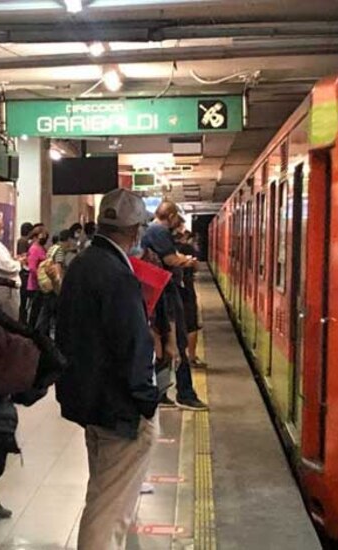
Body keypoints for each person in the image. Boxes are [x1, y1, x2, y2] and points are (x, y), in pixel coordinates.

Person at [56, 189, 159, 550]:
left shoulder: (82, 265)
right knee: (109, 512)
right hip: (120, 409)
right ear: (135, 230)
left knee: (105, 496)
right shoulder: (118, 274)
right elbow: (132, 344)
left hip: (93, 403)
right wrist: (146, 401)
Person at [142, 201, 208, 411]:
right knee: (178, 342)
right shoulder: (159, 231)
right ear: (170, 216)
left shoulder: (151, 231)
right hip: (165, 293)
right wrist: (188, 261)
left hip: (160, 292)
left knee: (165, 343)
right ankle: (185, 394)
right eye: (176, 218)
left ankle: (161, 393)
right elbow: (170, 259)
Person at [175, 229, 206, 368]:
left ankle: (179, 356)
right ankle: (191, 357)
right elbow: (196, 267)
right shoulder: (188, 248)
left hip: (173, 290)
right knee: (191, 324)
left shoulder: (167, 249)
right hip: (187, 290)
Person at [26, 225, 51, 330]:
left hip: (42, 286)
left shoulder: (42, 248)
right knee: (35, 313)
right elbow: (32, 268)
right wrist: (41, 278)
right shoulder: (34, 249)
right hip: (36, 285)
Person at [17, 222, 36, 321]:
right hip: (24, 272)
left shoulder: (22, 241)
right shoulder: (23, 241)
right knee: (24, 299)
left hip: (23, 271)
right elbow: (24, 256)